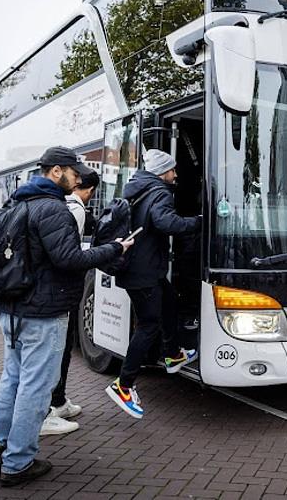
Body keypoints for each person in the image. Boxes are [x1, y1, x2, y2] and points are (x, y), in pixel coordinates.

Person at [0, 147, 134, 486]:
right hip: (42, 311)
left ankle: (0, 447)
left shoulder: (16, 203)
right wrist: (115, 248)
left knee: (11, 380)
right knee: (35, 388)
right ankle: (17, 462)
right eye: (74, 172)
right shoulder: (54, 209)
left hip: (11, 308)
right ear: (56, 172)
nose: (79, 178)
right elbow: (68, 259)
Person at [105, 149, 201, 419]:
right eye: (172, 170)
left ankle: (172, 354)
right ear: (163, 172)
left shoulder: (138, 188)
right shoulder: (160, 191)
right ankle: (123, 385)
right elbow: (166, 223)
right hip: (144, 272)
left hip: (139, 269)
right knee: (148, 325)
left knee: (170, 300)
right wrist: (199, 223)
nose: (175, 174)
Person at [39, 169, 101, 437]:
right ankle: (50, 407)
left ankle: (59, 401)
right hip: (60, 292)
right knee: (57, 351)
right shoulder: (75, 211)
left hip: (52, 292)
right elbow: (69, 255)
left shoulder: (59, 205)